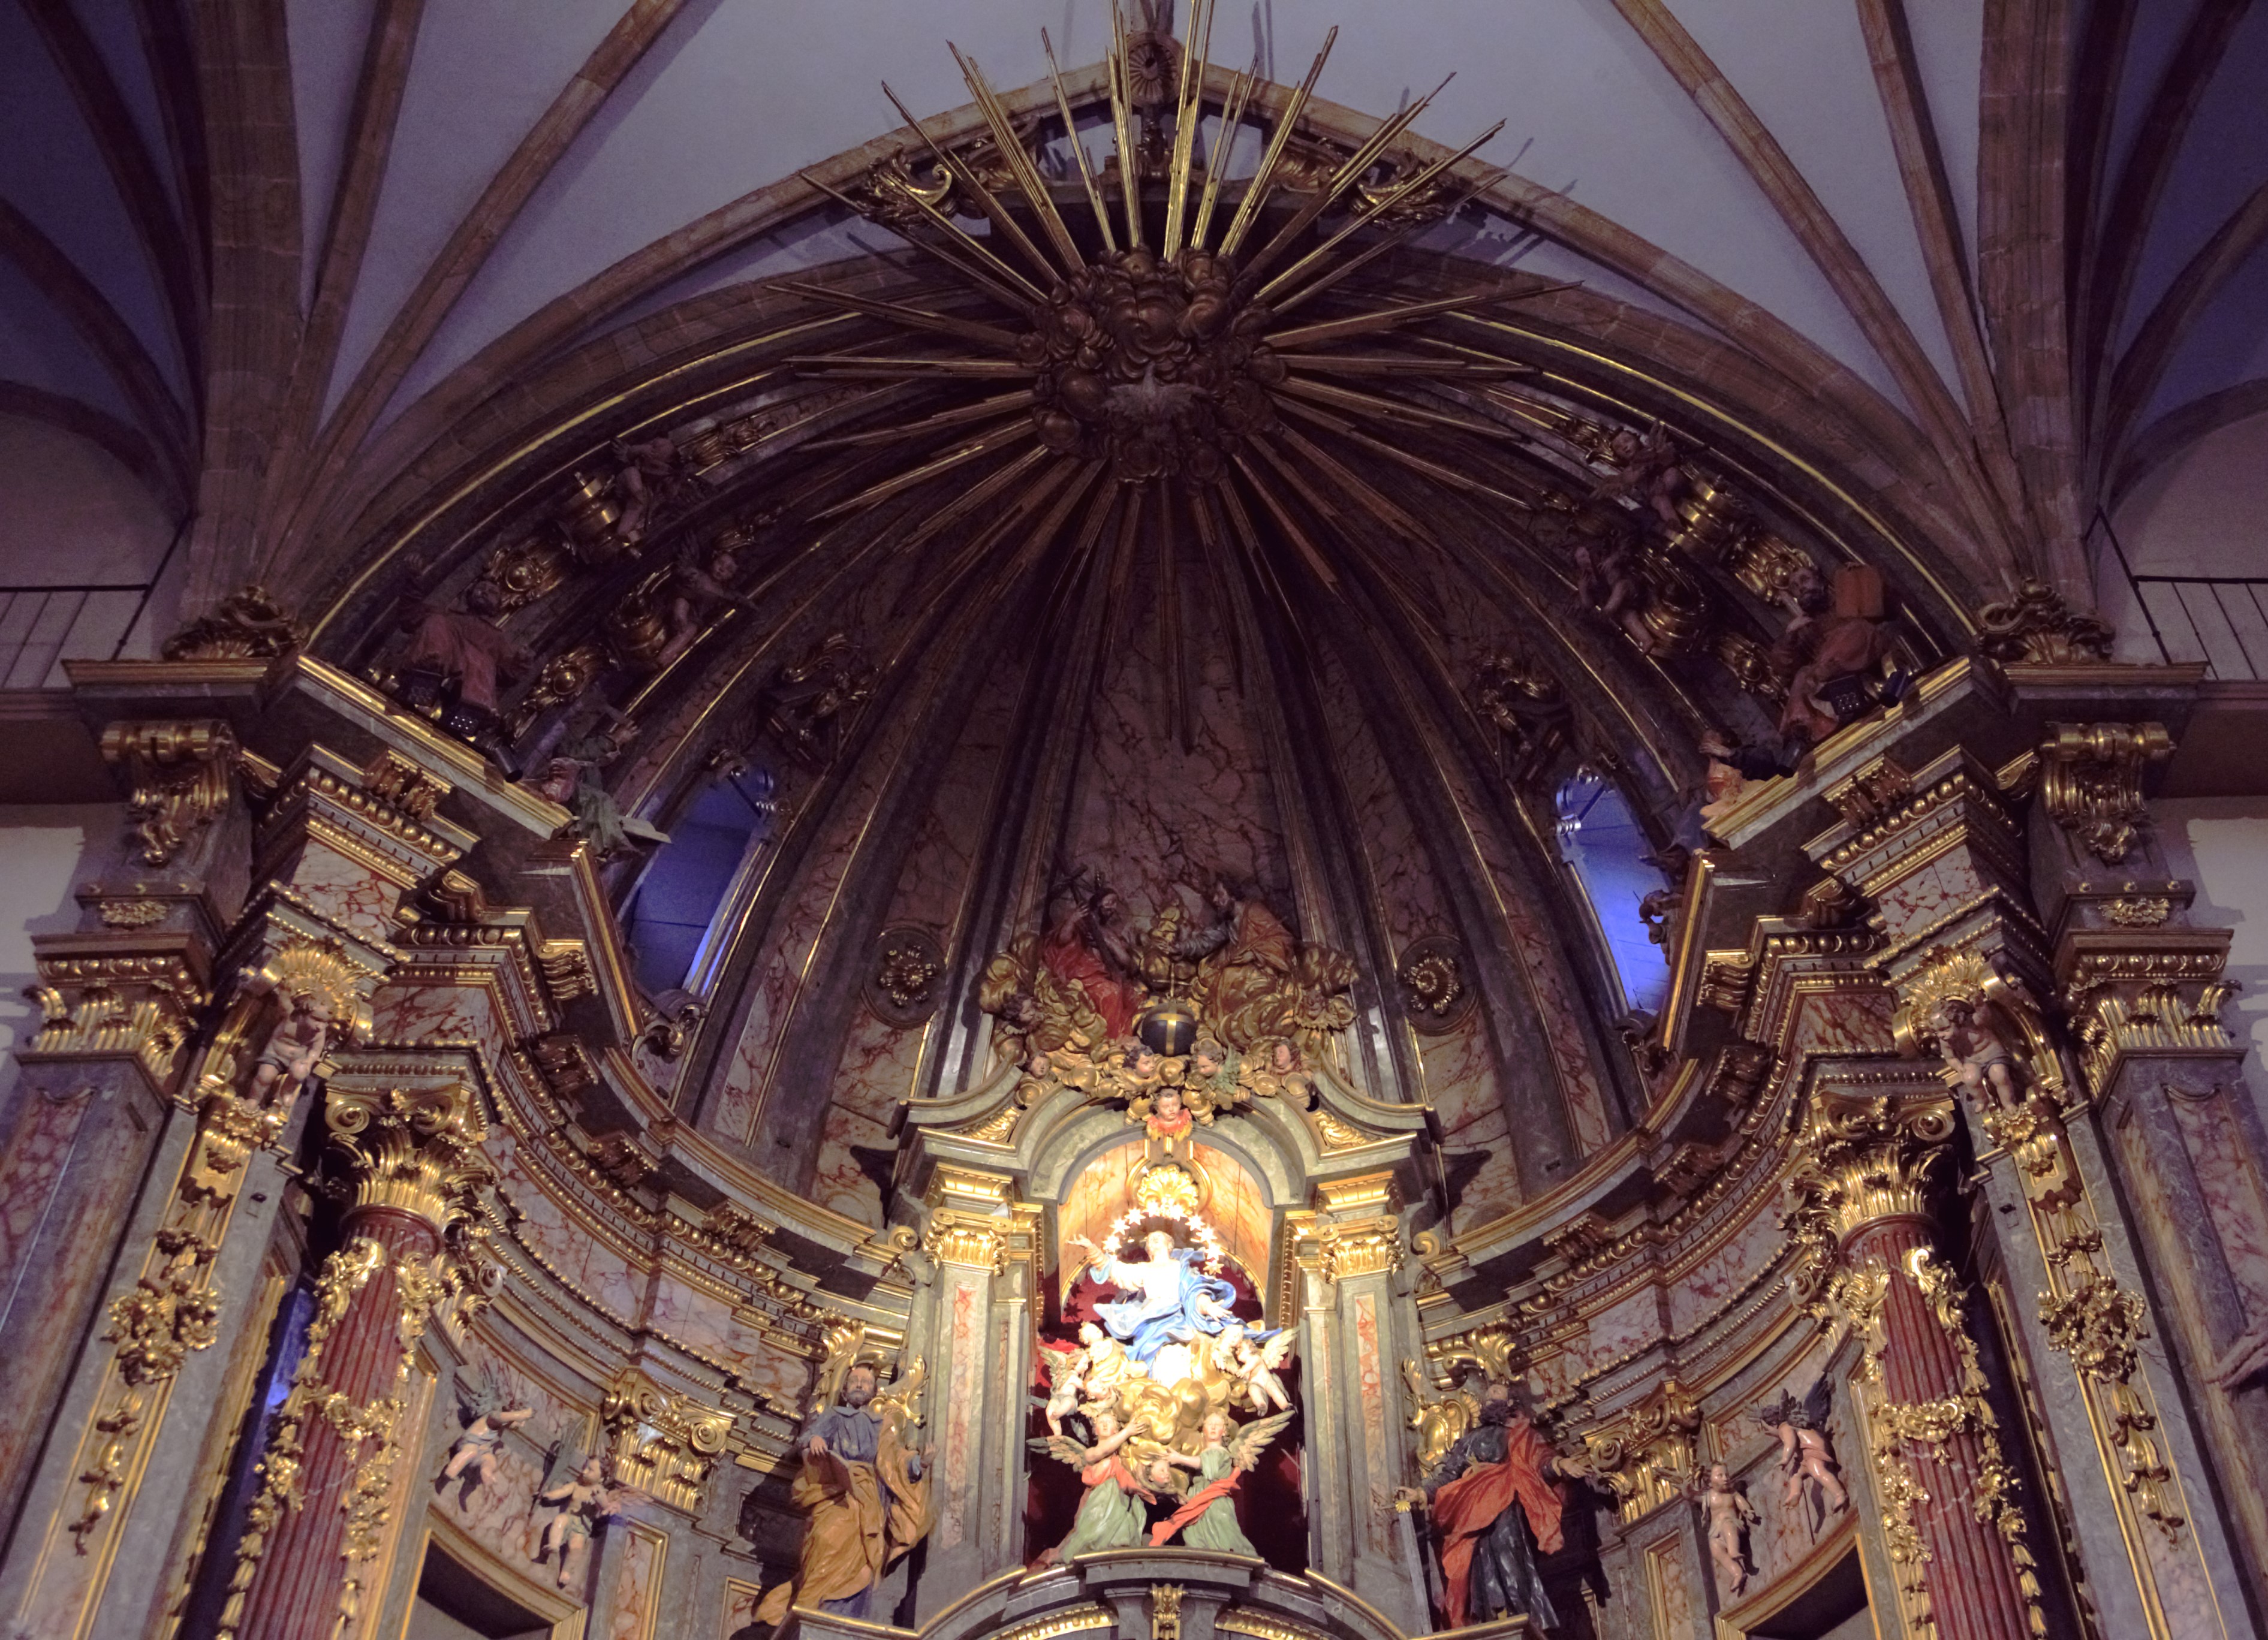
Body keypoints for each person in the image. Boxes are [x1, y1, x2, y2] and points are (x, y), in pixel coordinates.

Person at [754, 1363, 932, 1623]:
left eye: (866, 1382)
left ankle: (837, 1618)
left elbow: (895, 1460)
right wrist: (814, 1440)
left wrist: (919, 1463)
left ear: (875, 1392)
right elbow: (807, 1438)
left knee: (862, 1558)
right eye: (854, 1380)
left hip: (868, 1500)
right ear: (845, 1390)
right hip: (833, 1494)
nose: (860, 1384)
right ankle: (807, 1611)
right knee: (825, 1540)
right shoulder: (833, 1415)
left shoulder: (881, 1425)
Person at [1396, 1379, 1573, 1629]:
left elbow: (1539, 1463)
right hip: (1471, 1510)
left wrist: (1559, 1464)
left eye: (1497, 1392)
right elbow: (1449, 1475)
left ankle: (1518, 1615)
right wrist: (1421, 1493)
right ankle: (1490, 1616)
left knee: (1508, 1552)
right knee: (1476, 1562)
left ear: (1509, 1403)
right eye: (1487, 1395)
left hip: (1505, 1503)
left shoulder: (1520, 1435)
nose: (1490, 1396)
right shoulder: (1470, 1440)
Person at [1069, 1229, 1237, 1376]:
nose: (1154, 1238)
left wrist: (1207, 1306)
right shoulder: (1143, 1269)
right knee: (1152, 1357)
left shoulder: (1180, 1267)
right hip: (1149, 1321)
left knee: (1183, 1353)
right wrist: (1091, 1249)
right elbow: (1114, 1270)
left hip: (1177, 1319)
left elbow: (1194, 1291)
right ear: (1148, 1250)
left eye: (1159, 1236)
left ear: (1170, 1246)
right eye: (1151, 1238)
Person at [1035, 1409, 1155, 1560]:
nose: (1105, 1425)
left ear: (1116, 1430)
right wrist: (1127, 1432)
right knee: (1089, 1538)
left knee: (1121, 1537)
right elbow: (1103, 1451)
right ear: (1095, 1430)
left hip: (1120, 1506)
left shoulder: (1124, 1458)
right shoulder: (1090, 1453)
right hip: (1095, 1505)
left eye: (1109, 1422)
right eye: (1101, 1422)